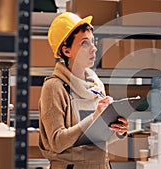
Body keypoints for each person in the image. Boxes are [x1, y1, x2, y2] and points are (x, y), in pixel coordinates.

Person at [38, 12, 128, 169]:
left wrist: (118, 130)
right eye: (84, 44)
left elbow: (99, 138)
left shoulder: (96, 84)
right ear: (66, 51)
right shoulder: (54, 87)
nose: (93, 49)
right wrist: (94, 117)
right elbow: (57, 142)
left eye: (93, 42)